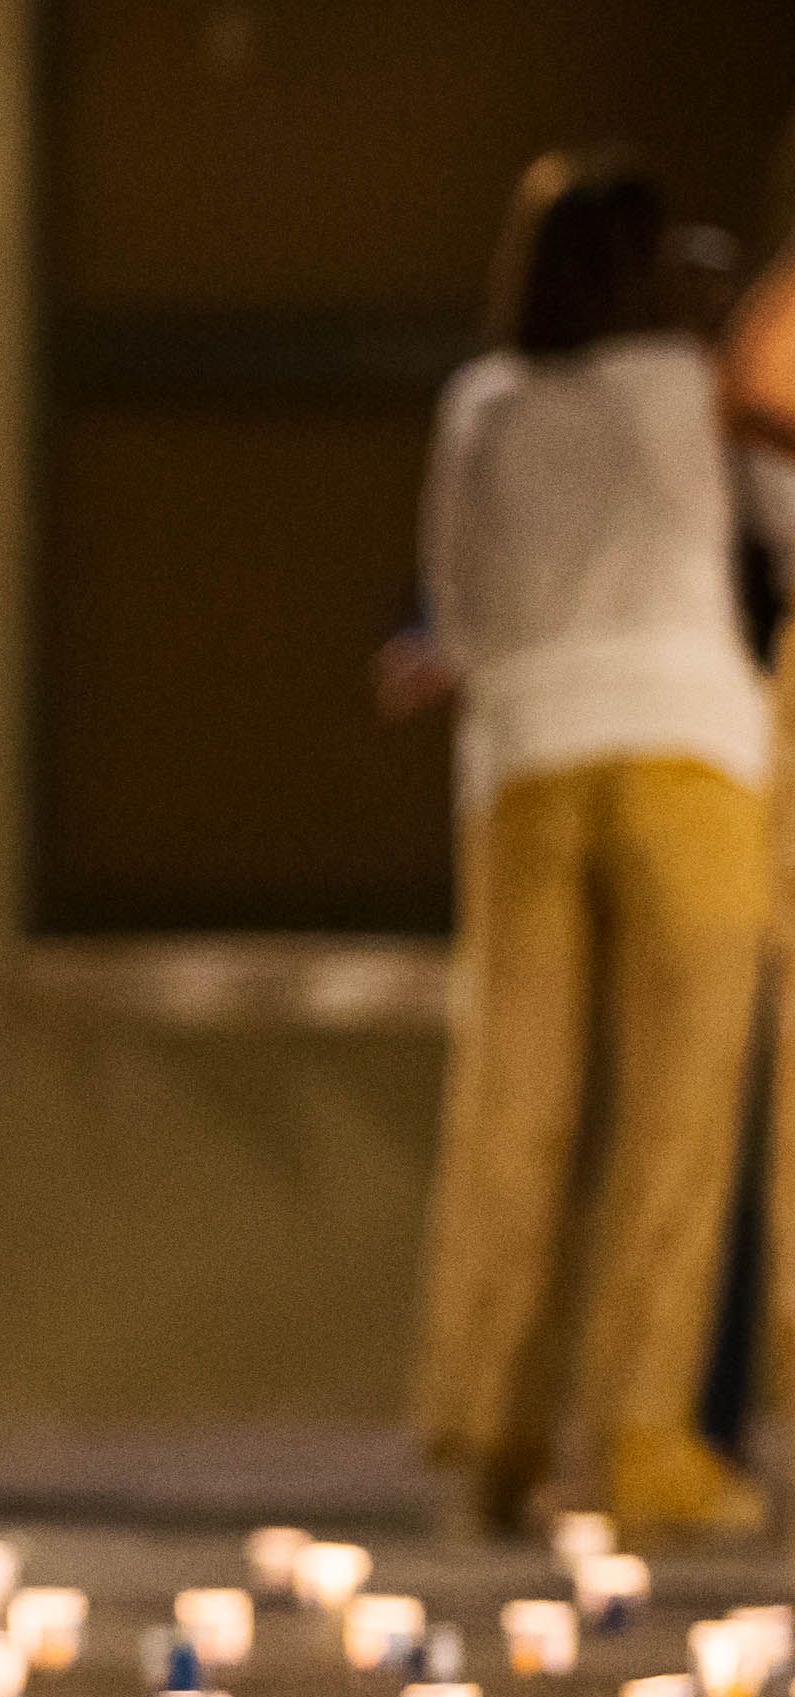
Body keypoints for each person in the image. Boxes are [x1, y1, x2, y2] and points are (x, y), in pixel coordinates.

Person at [413, 151, 777, 1542]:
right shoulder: (698, 391)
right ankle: (643, 1442)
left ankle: (491, 1432)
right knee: (676, 1116)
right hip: (690, 747)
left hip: (527, 763)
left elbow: (455, 606)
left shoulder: (484, 402)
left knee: (517, 1101)